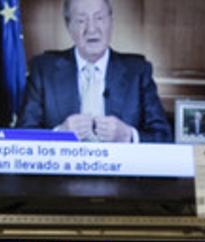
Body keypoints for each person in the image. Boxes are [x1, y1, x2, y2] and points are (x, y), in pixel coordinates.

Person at [18, 0, 172, 143]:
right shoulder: (44, 70)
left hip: (120, 171)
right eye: (81, 20)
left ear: (111, 22)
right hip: (65, 172)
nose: (91, 29)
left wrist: (128, 135)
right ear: (68, 25)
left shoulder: (138, 72)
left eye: (99, 18)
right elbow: (22, 136)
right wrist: (58, 134)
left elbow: (164, 137)